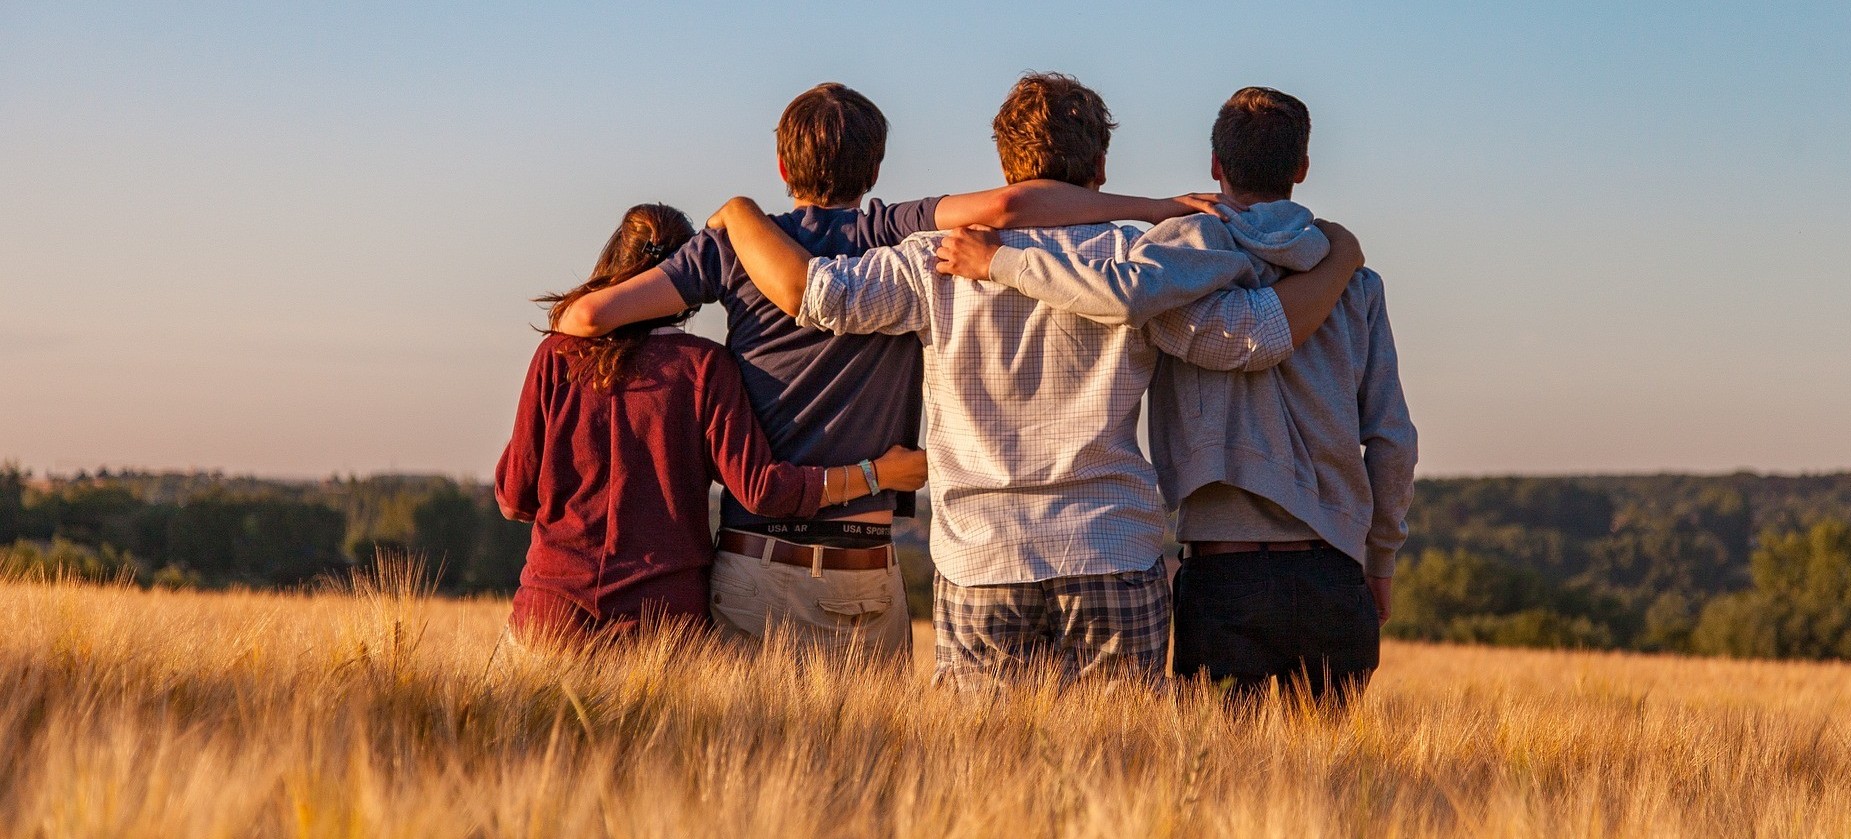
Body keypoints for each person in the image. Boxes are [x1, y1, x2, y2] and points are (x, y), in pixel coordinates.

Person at [710, 73, 1366, 689]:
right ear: (1100, 169)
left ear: (1004, 166)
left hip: (981, 557)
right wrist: (1340, 259)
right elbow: (1251, 337)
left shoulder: (933, 261)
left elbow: (815, 295)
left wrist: (740, 214)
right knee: (1120, 772)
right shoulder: (1139, 262)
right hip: (1110, 546)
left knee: (984, 776)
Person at [549, 83, 1224, 661]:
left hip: (757, 558)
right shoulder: (892, 231)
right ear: (875, 169)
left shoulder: (732, 248)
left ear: (781, 165)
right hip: (865, 566)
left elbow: (583, 321)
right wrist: (1154, 208)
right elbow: (1013, 208)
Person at [936, 87, 1418, 705]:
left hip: (1223, 573)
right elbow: (1392, 440)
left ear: (1215, 165)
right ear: (1301, 169)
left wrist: (1001, 262)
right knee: (1329, 789)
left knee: (1217, 784)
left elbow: (1120, 294)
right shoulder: (1355, 282)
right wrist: (1380, 560)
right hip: (1334, 570)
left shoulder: (1174, 261)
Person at [494, 203, 927, 648]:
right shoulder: (704, 368)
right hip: (662, 626)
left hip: (551, 615)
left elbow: (515, 497)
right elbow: (763, 490)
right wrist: (878, 474)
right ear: (687, 281)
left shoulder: (557, 356)